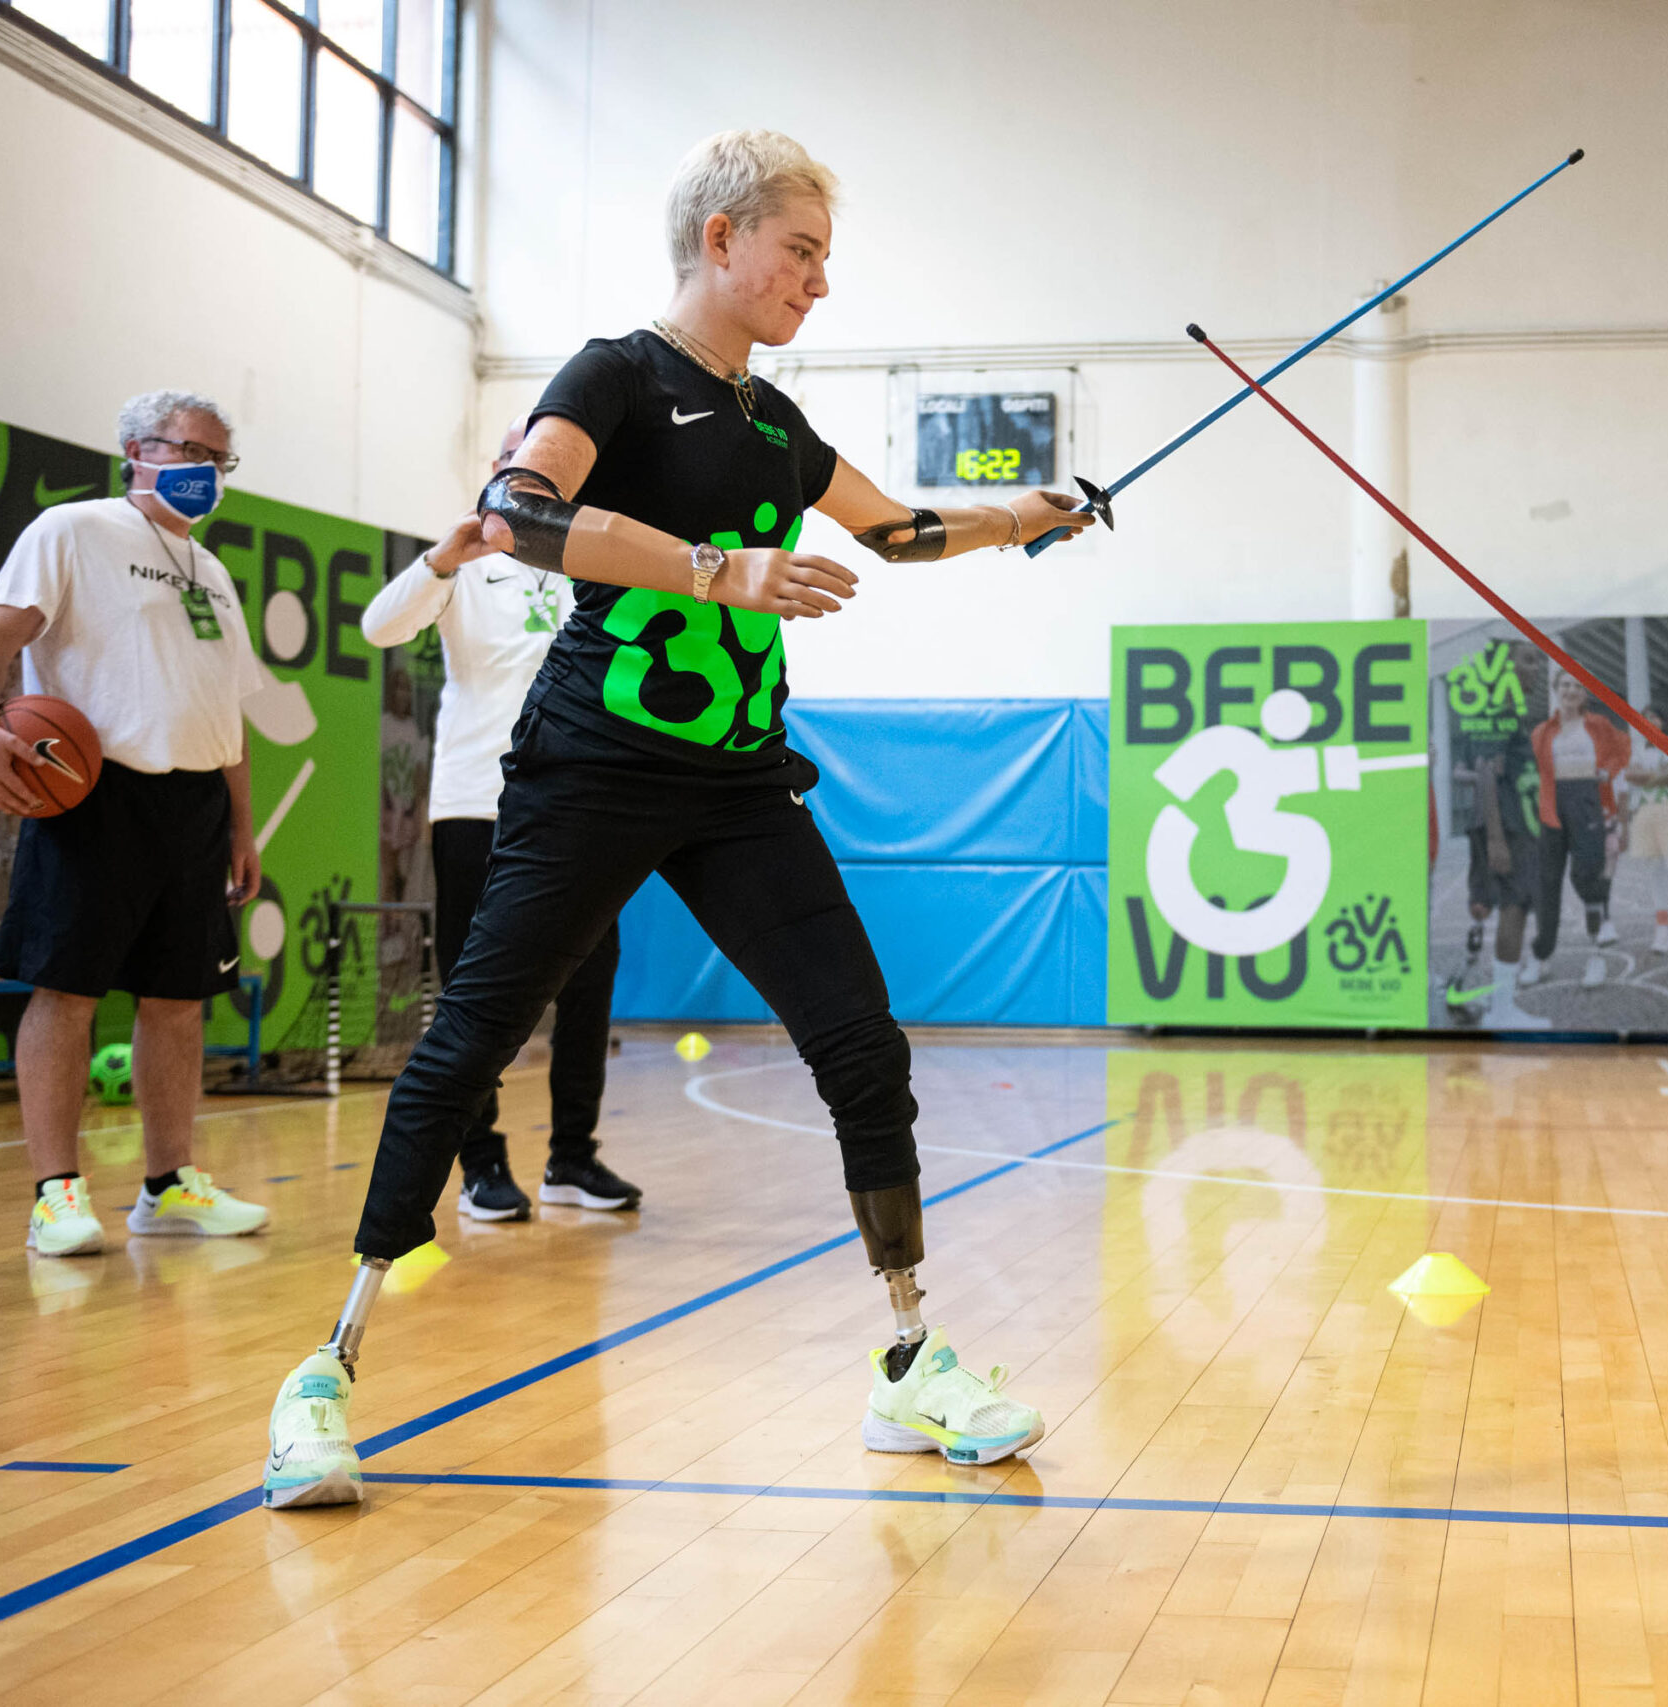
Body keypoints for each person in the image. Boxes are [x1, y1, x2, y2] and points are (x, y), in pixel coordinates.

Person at [260, 130, 1100, 1510]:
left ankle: (908, 1359)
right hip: (593, 766)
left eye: (824, 257)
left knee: (859, 1039)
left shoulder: (775, 424)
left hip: (738, 785)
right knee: (470, 1042)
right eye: (800, 251)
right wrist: (718, 569)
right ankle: (323, 1375)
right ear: (722, 238)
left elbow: (892, 532)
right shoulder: (617, 374)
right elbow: (520, 514)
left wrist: (1023, 515)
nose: (819, 281)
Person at [0, 389, 272, 1257]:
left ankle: (168, 1185)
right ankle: (55, 1195)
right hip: (95, 796)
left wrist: (241, 825)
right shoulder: (74, 530)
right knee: (68, 991)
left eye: (219, 459)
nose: (206, 470)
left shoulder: (213, 572)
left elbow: (227, 711)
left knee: (178, 1000)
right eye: (189, 450)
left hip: (195, 805)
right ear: (136, 449)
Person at [361, 418, 640, 1224]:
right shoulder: (465, 565)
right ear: (498, 470)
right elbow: (381, 627)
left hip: (583, 806)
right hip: (476, 804)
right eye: (521, 456)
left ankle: (572, 1157)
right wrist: (442, 559)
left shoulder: (600, 563)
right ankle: (479, 1160)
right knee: (474, 986)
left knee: (589, 979)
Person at [1444, 638, 1544, 1026]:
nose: (1536, 668)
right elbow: (1487, 771)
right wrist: (1497, 839)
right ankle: (1503, 1011)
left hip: (1498, 822)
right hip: (1506, 825)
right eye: (1529, 660)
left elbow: (1475, 770)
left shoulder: (1495, 712)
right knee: (1514, 908)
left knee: (1488, 905)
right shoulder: (1500, 711)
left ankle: (1467, 989)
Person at [1524, 668, 1626, 989]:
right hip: (1551, 808)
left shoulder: (1599, 724)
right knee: (1546, 884)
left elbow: (1623, 749)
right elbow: (1533, 771)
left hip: (1587, 801)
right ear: (1556, 690)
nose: (1571, 690)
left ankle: (1596, 956)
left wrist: (1608, 772)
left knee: (1587, 876)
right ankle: (1541, 956)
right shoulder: (1541, 731)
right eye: (1565, 684)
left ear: (1585, 694)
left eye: (1578, 686)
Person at [1617, 709, 1668, 956]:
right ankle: (1663, 930)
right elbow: (1630, 775)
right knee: (1655, 870)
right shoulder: (1639, 748)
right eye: (1644, 718)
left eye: (1653, 717)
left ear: (1664, 720)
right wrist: (1657, 775)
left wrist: (1644, 777)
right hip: (1646, 812)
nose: (1648, 722)